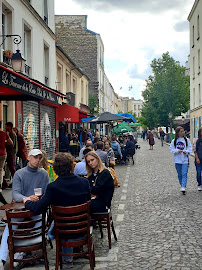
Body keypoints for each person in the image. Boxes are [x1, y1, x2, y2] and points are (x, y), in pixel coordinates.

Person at [23, 152, 91, 266]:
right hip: (82, 227)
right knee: (67, 221)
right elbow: (88, 201)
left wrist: (27, 201)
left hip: (63, 230)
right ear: (71, 166)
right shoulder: (84, 182)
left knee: (60, 224)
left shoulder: (53, 187)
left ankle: (67, 260)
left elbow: (38, 208)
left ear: (55, 169)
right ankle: (74, 252)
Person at [0, 149, 49, 269]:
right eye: (35, 157)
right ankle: (1, 259)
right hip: (21, 210)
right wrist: (26, 199)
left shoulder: (44, 174)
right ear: (28, 158)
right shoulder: (19, 173)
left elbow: (46, 194)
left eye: (40, 158)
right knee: (10, 228)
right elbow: (15, 194)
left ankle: (21, 252)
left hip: (37, 209)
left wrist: (37, 200)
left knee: (39, 226)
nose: (38, 160)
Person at [170, 126, 192, 194]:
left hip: (185, 159)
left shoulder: (186, 140)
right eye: (181, 131)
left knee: (184, 173)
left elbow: (190, 148)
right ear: (178, 133)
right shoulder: (174, 141)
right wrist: (177, 151)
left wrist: (187, 152)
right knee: (179, 174)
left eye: (183, 131)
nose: (183, 132)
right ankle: (181, 184)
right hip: (177, 160)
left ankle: (183, 186)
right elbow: (171, 149)